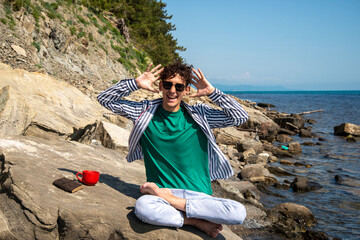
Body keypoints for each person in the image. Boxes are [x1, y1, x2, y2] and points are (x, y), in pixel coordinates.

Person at [97, 61, 249, 238]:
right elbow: (104, 99)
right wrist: (135, 83)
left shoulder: (200, 115)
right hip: (161, 195)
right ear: (161, 86)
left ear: (186, 90)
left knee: (238, 212)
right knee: (143, 208)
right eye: (168, 84)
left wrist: (213, 93)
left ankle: (178, 207)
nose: (172, 91)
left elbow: (240, 117)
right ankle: (195, 221)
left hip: (197, 196)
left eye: (179, 86)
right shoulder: (143, 112)